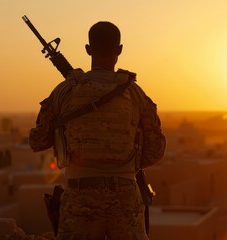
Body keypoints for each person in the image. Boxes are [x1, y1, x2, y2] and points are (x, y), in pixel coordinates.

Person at [29, 21, 166, 240]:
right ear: (119, 50)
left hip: (80, 199)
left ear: (88, 49)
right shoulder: (135, 94)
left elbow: (37, 142)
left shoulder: (64, 92)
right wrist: (124, 164)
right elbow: (156, 149)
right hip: (125, 200)